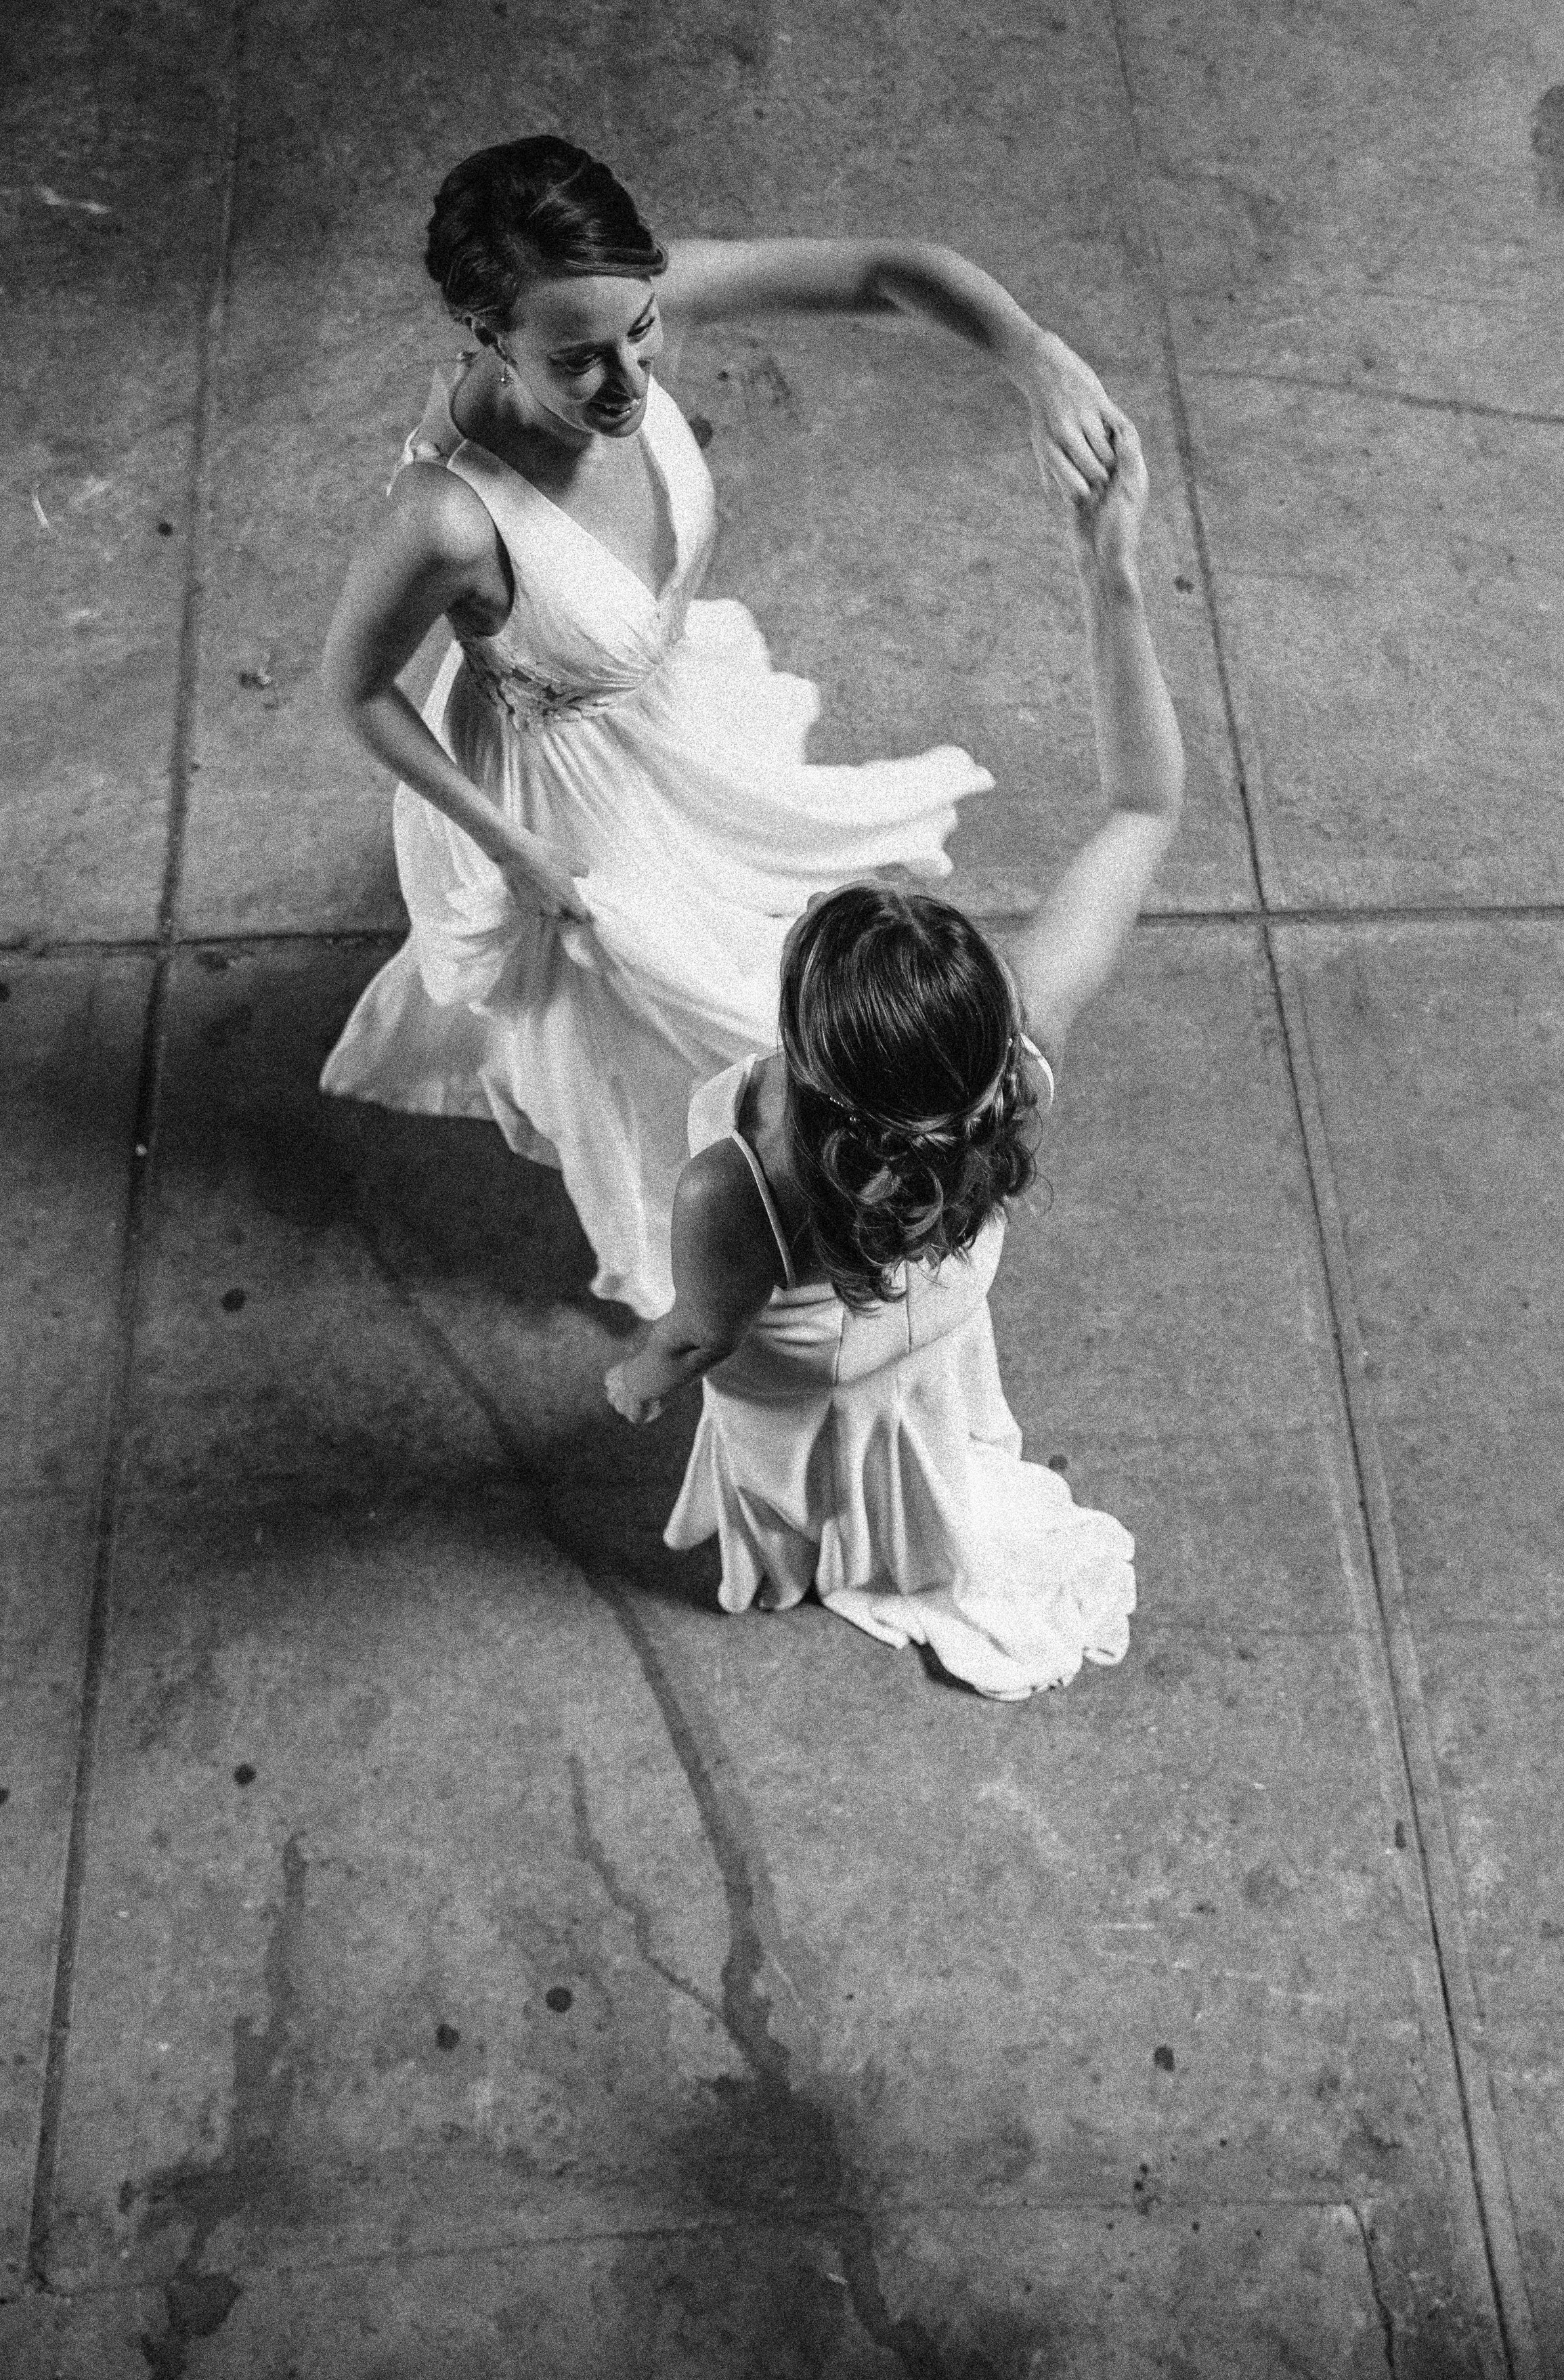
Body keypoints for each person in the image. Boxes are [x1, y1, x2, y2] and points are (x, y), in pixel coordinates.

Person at [320, 135, 1133, 1318]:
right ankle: (719, 1220)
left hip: (667, 713)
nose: (627, 383)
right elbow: (356, 689)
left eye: (642, 332)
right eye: (577, 361)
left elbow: (884, 271)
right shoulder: (446, 518)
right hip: (569, 794)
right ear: (487, 336)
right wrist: (508, 845)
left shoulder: (647, 304)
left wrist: (1033, 355)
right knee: (682, 1013)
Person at [603, 437, 1182, 1701]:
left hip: (810, 1385)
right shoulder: (1019, 1058)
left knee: (766, 1411)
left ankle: (815, 1548)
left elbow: (698, 1334)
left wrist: (634, 1377)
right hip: (937, 1327)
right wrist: (1114, 575)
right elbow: (1144, 807)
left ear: (801, 1056)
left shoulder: (728, 1189)